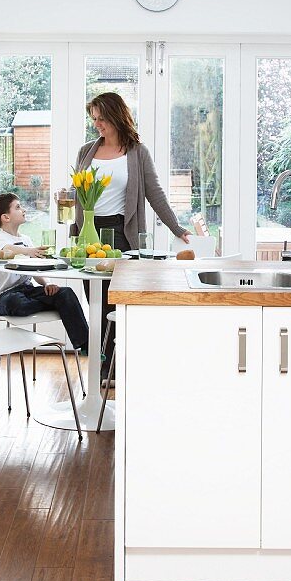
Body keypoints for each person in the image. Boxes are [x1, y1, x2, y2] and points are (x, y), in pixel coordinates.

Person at [73, 92, 191, 376]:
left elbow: (155, 194)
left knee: (118, 302)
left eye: (102, 118)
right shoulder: (86, 151)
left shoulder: (137, 153)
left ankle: (119, 366)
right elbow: (79, 193)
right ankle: (102, 366)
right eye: (94, 119)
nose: (97, 124)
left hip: (120, 233)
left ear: (116, 116)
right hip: (88, 234)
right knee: (96, 303)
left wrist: (177, 228)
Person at [0, 193, 89, 355]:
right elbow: (5, 250)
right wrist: (28, 251)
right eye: (18, 207)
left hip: (27, 291)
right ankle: (56, 305)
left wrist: (47, 284)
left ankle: (86, 345)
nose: (23, 210)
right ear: (5, 217)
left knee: (65, 293)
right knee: (17, 302)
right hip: (4, 297)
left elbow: (36, 269)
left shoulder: (26, 239)